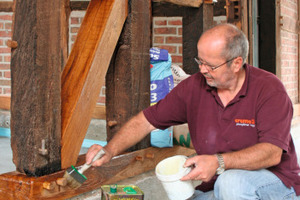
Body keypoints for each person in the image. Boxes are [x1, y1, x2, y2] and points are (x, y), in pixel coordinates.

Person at [86, 23, 300, 199]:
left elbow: (272, 153)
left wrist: (219, 162)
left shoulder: (269, 90)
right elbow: (146, 121)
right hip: (219, 187)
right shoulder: (194, 87)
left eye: (211, 66)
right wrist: (110, 150)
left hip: (275, 185)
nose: (202, 70)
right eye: (200, 61)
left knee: (231, 182)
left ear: (236, 63)